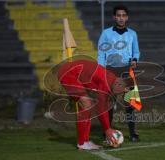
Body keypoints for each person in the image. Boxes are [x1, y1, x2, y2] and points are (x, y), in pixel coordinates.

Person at [57, 58, 130, 150]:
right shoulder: (107, 82)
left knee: (88, 105)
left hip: (71, 72)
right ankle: (82, 143)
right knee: (86, 103)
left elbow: (103, 106)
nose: (121, 93)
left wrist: (107, 128)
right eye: (123, 91)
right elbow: (101, 108)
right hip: (68, 73)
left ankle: (85, 142)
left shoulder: (112, 81)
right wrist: (107, 129)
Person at [97, 5, 140, 141]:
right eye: (118, 15)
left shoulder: (132, 34)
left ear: (126, 17)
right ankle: (107, 132)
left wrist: (134, 60)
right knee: (109, 104)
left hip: (126, 70)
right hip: (110, 71)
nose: (121, 18)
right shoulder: (106, 33)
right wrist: (101, 70)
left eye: (123, 15)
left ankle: (133, 133)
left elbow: (136, 51)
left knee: (129, 103)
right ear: (114, 17)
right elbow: (101, 53)